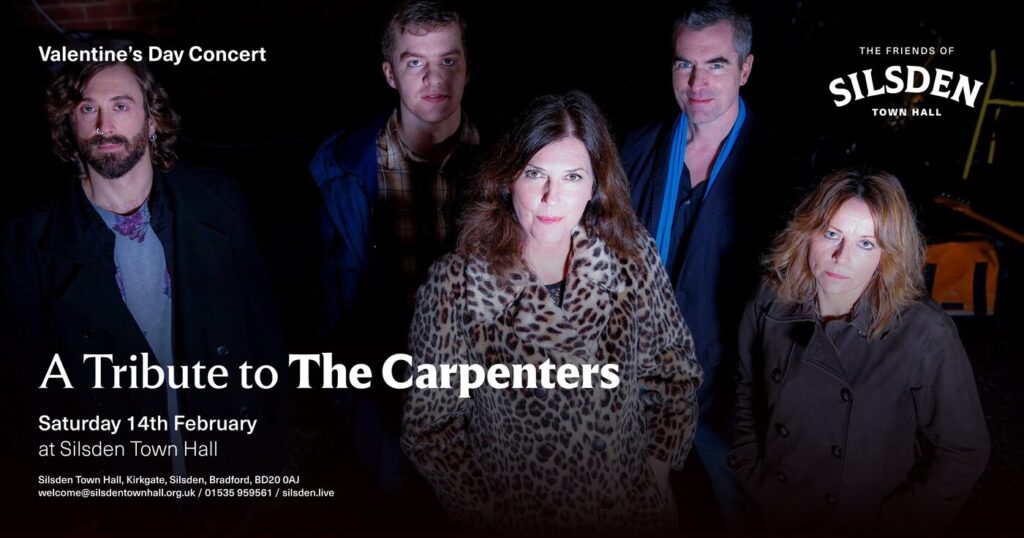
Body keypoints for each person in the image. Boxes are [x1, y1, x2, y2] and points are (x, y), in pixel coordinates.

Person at [0, 59, 287, 529]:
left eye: (121, 105)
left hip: (223, 476)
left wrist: (265, 454)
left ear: (153, 120)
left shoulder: (218, 202)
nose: (104, 124)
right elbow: (26, 396)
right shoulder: (27, 242)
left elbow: (263, 337)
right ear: (69, 126)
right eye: (86, 108)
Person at [401, 91, 702, 533]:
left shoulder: (631, 256)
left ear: (595, 185)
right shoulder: (456, 285)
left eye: (573, 177)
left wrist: (657, 468)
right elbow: (430, 427)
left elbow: (675, 372)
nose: (551, 197)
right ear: (506, 180)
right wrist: (482, 510)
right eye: (535, 173)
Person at [620, 1, 805, 525]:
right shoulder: (639, 149)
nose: (697, 81)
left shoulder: (779, 170)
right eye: (684, 64)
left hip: (727, 392)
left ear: (745, 69)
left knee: (739, 510)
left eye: (716, 64)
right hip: (641, 381)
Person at [731, 168, 990, 530]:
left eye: (866, 243)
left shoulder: (924, 332)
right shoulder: (771, 298)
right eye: (831, 233)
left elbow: (964, 452)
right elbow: (745, 387)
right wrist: (749, 469)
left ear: (888, 254)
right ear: (807, 233)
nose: (841, 256)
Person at [308, 0, 479, 492]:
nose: (434, 79)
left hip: (486, 400)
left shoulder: (511, 165)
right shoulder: (339, 170)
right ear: (390, 73)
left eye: (448, 60)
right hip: (386, 398)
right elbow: (325, 300)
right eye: (415, 62)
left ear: (466, 68)